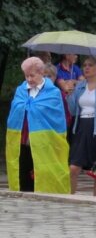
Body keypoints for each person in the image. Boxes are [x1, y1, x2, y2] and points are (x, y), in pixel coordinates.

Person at [6, 57, 70, 193]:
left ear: (41, 72)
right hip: (22, 140)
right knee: (23, 173)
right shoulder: (21, 90)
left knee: (44, 173)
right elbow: (15, 112)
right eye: (26, 75)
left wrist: (33, 108)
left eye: (32, 75)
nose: (29, 79)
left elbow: (60, 118)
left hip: (46, 143)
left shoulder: (53, 93)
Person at [68, 56, 96, 196]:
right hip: (81, 127)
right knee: (73, 168)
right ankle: (71, 196)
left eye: (90, 65)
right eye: (85, 65)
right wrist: (70, 95)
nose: (86, 68)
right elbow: (73, 110)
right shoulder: (80, 86)